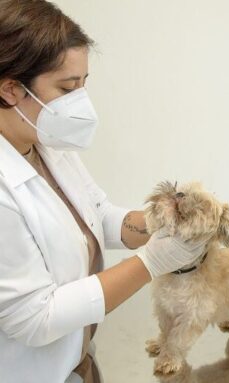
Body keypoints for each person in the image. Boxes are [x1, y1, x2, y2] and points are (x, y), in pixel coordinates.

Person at [0, 1, 207, 382]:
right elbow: (34, 318)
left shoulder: (45, 144)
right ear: (12, 89)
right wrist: (152, 261)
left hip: (78, 362)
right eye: (68, 87)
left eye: (84, 82)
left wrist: (159, 223)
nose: (82, 100)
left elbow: (96, 213)